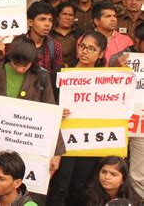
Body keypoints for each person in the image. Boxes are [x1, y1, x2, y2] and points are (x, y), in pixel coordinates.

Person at [0, 35, 65, 206]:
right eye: (16, 65)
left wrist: (57, 152)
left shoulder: (42, 77)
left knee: (30, 193)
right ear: (9, 57)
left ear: (33, 61)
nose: (20, 70)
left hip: (32, 142)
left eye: (25, 66)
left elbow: (50, 113)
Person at [47, 30, 108, 206]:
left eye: (91, 48)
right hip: (63, 139)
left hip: (89, 141)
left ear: (101, 54)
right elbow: (47, 102)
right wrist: (57, 110)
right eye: (82, 46)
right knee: (60, 186)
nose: (84, 52)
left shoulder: (106, 78)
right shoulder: (62, 71)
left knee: (81, 186)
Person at [109, 21, 144, 200]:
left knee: (139, 175)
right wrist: (115, 68)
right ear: (136, 40)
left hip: (141, 125)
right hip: (118, 120)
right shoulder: (119, 57)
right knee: (111, 168)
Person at [27, 2, 63, 72]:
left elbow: (57, 76)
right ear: (30, 22)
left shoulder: (55, 46)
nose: (47, 24)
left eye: (50, 20)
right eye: (42, 19)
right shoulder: (18, 44)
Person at [51, 2, 83, 68]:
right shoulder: (49, 33)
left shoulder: (79, 33)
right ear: (57, 16)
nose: (67, 17)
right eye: (64, 14)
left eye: (70, 15)